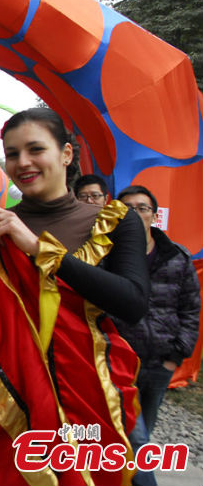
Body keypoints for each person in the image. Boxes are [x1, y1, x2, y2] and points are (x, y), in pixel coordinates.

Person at [0, 107, 150, 486]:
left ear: (66, 154)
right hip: (4, 400)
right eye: (12, 153)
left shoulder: (116, 221)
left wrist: (40, 250)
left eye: (36, 149)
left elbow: (132, 303)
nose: (23, 162)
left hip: (89, 397)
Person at [114, 185, 200, 486]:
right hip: (119, 364)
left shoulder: (176, 257)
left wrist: (175, 356)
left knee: (143, 433)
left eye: (142, 207)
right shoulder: (108, 255)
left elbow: (190, 310)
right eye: (127, 208)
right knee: (134, 437)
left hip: (159, 363)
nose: (135, 214)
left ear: (154, 214)